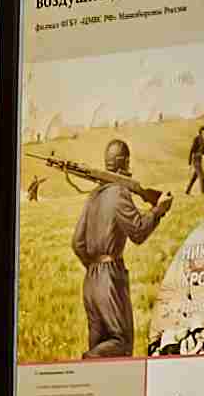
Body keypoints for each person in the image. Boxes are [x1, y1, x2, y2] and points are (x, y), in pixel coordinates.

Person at [68, 141, 172, 360]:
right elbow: (138, 232)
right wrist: (158, 210)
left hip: (91, 280)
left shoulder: (94, 196)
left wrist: (94, 266)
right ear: (124, 162)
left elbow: (77, 242)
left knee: (102, 346)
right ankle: (87, 360)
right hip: (110, 277)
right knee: (121, 344)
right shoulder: (118, 193)